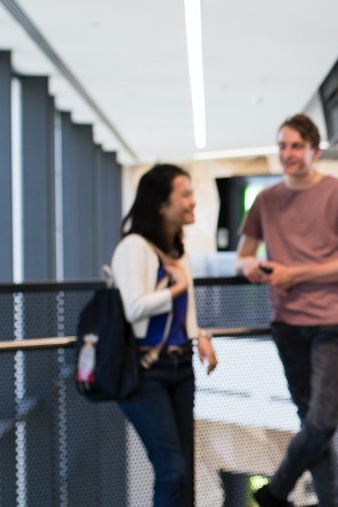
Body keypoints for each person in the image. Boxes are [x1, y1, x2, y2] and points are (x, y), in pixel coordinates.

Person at [238, 114, 338, 507]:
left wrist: (296, 273)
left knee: (323, 421)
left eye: (296, 146)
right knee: (314, 427)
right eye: (282, 145)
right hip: (287, 323)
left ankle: (276, 491)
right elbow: (242, 255)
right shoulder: (267, 200)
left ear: (314, 150)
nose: (287, 154)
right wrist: (250, 266)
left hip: (332, 320)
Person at [113, 163, 218, 507]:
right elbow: (135, 307)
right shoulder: (134, 247)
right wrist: (177, 288)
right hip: (146, 371)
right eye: (185, 194)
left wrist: (199, 334)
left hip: (181, 366)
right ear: (161, 204)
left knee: (184, 470)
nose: (193, 201)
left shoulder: (178, 251)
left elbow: (183, 313)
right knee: (171, 469)